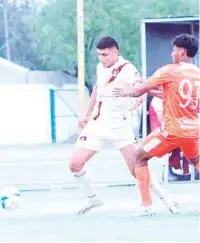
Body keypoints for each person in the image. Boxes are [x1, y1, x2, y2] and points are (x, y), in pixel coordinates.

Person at [69, 36, 178, 215]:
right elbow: (98, 89)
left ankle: (166, 198)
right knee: (74, 164)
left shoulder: (127, 69)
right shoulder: (100, 67)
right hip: (97, 123)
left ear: (115, 52)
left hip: (120, 125)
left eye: (105, 55)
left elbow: (140, 87)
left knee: (136, 170)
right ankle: (93, 198)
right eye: (99, 55)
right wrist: (86, 113)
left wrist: (142, 98)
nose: (101, 58)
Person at [112, 33, 200, 214]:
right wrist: (151, 92)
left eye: (174, 50)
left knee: (139, 156)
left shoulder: (169, 70)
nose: (171, 54)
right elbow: (173, 95)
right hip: (193, 130)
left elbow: (138, 91)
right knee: (196, 160)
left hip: (172, 131)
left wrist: (126, 91)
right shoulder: (197, 73)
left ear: (182, 52)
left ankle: (146, 206)